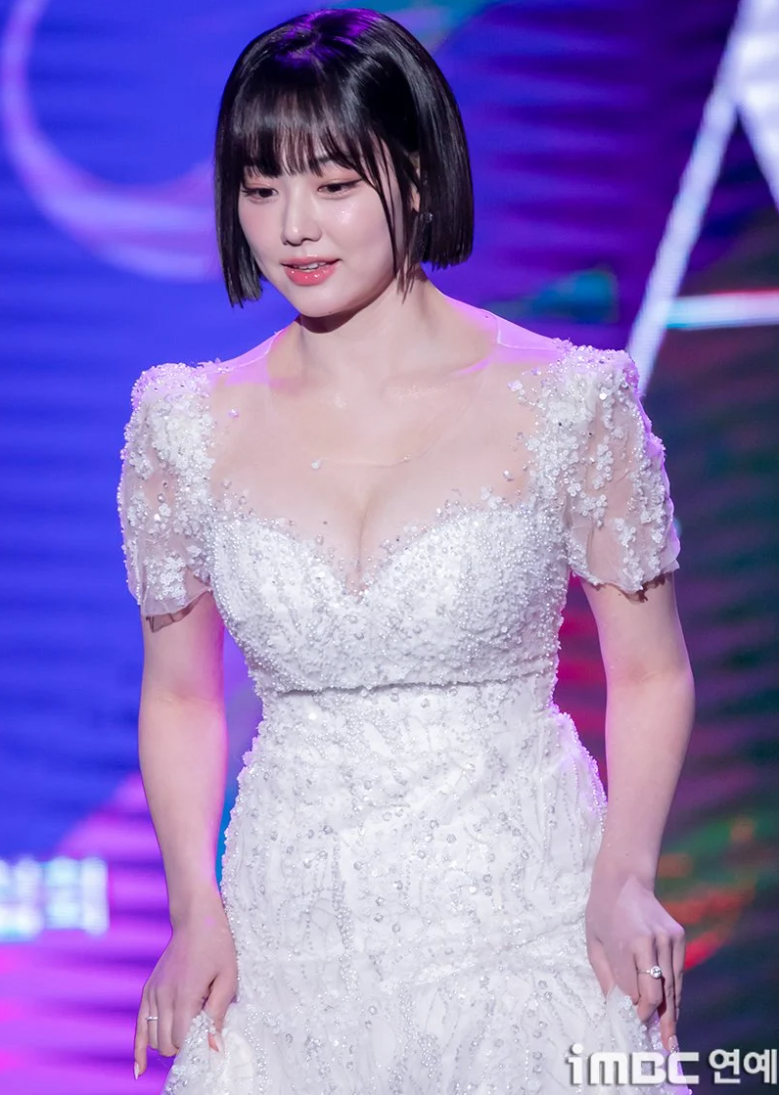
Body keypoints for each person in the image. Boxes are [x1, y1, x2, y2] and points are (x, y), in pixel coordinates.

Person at [117, 8, 695, 1093]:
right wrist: (195, 907)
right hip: (287, 937)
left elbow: (651, 671)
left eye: (334, 184)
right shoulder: (184, 427)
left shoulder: (568, 403)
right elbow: (182, 695)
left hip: (527, 913)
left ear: (418, 176)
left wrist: (623, 876)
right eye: (260, 188)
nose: (293, 227)